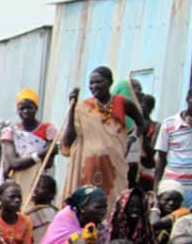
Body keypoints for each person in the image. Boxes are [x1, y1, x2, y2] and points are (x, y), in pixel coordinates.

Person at [61, 66, 150, 201]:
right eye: (91, 83)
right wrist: (72, 109)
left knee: (114, 201)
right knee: (88, 202)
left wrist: (132, 139)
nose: (94, 86)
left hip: (114, 166)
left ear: (110, 82)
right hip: (88, 167)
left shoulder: (122, 102)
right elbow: (69, 139)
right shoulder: (82, 108)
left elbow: (141, 124)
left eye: (99, 82)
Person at [32, 185, 108, 244]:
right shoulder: (65, 220)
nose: (103, 212)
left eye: (105, 207)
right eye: (98, 207)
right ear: (82, 207)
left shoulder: (100, 226)